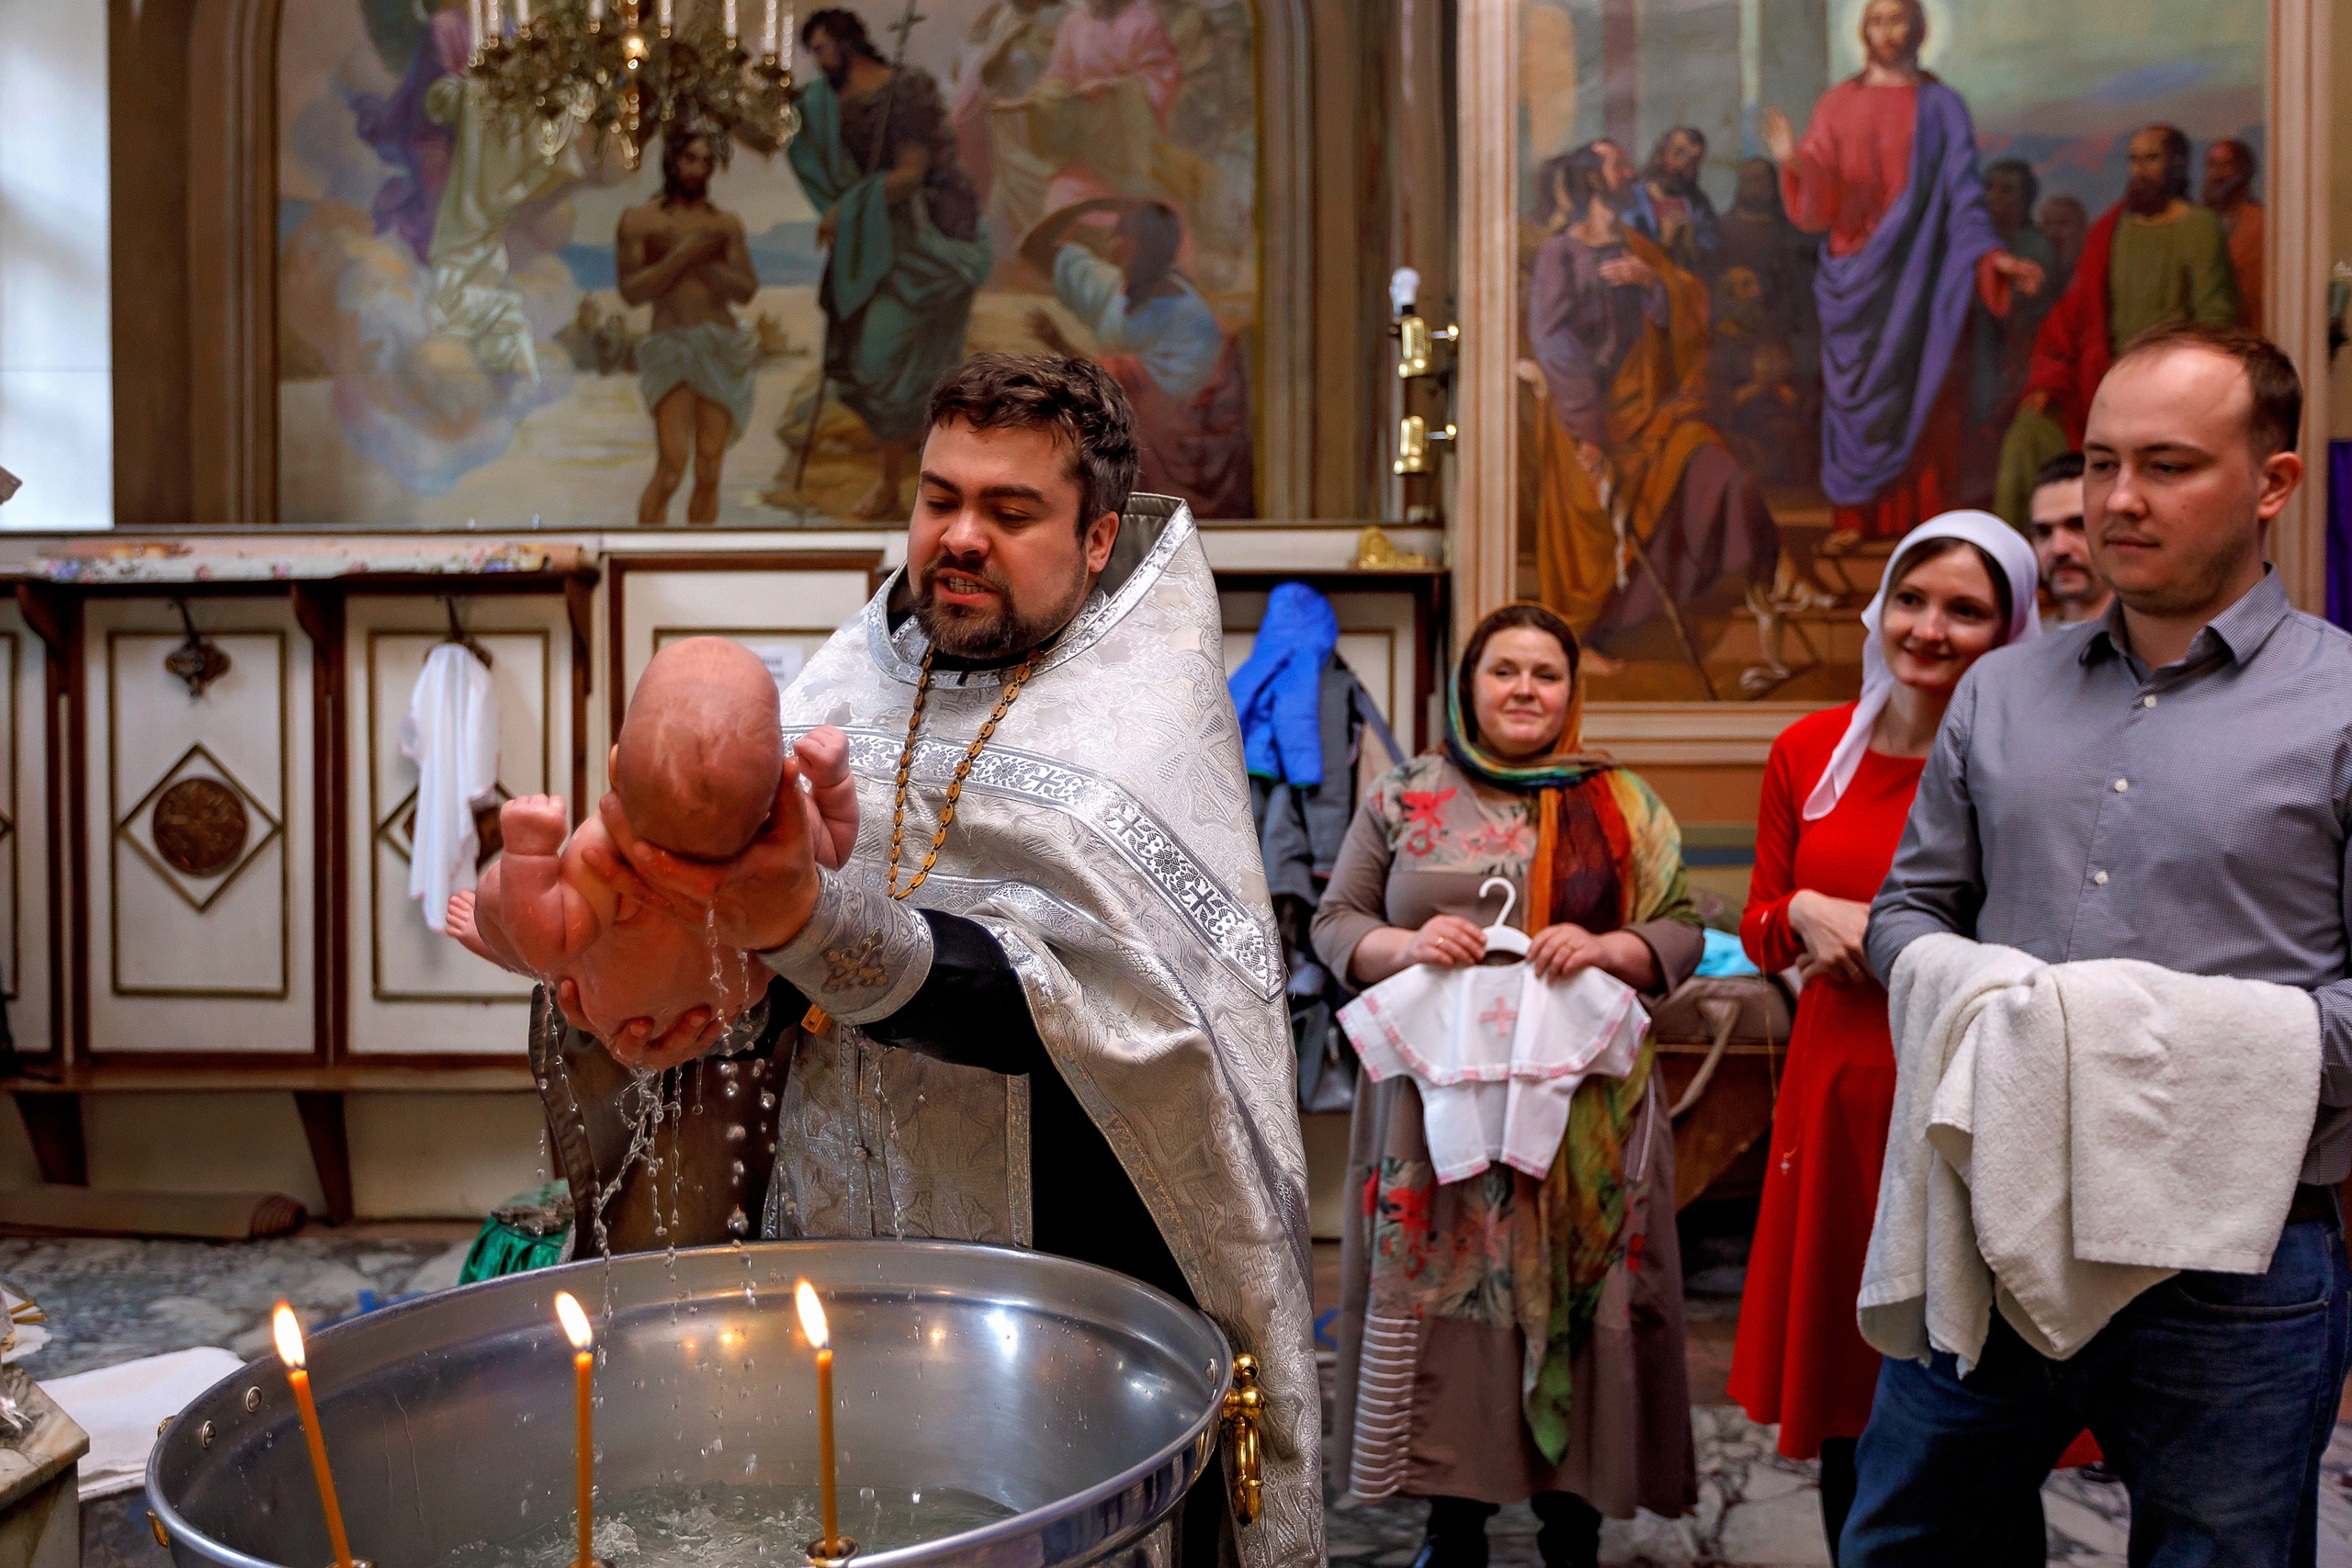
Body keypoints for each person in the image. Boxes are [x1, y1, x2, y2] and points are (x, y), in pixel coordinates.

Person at [536, 353, 1321, 1568]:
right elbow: (749, 956)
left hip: (1071, 1280)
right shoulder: (854, 677)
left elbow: (1084, 1014)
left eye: (1010, 513)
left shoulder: (1143, 722)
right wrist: (657, 969)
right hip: (839, 1251)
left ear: (1099, 535)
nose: (960, 536)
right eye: (939, 497)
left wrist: (805, 918)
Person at [1848, 321, 2352, 1563]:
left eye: (2170, 464)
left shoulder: (2342, 702)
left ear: (2273, 483)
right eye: (2102, 459)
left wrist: (2148, 1054)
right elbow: (1908, 912)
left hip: (2237, 1257)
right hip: (1989, 1223)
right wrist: (1986, 999)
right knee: (1910, 1540)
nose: (2117, 500)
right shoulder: (2002, 692)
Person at [1316, 602, 1703, 1568]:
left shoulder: (1620, 802)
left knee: (1574, 1294)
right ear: (1467, 683)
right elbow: (1333, 925)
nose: (1524, 690)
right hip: (1428, 1104)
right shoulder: (1403, 795)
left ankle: (1574, 1518)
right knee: (1447, 1303)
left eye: (1545, 674)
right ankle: (1454, 1523)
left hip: (1579, 1114)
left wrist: (1612, 945)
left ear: (1570, 693)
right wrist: (1404, 944)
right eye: (1504, 671)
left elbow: (1684, 928)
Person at [1726, 513, 2043, 1565]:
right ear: (1879, 610)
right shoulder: (1807, 748)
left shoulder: (2029, 767)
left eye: (1966, 610)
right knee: (1847, 1384)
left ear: (2009, 629)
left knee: (1975, 1380)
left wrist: (1914, 945)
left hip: (1964, 1088)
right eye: (1913, 600)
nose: (1930, 629)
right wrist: (1807, 911)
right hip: (1836, 1089)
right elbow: (1759, 916)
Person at [447, 640, 858, 1041]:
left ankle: (510, 957)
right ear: (777, 786)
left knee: (493, 893)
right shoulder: (782, 839)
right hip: (731, 1003)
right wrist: (833, 783)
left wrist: (527, 854)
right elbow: (837, 851)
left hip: (619, 1005)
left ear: (615, 769)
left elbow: (549, 941)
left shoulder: (610, 852)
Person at [1760, 0, 2042, 549]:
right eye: (1876, 22)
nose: (1887, 33)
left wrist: (1994, 256)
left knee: (1928, 396)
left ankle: (1928, 522)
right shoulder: (1838, 103)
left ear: (1918, 29)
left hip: (1924, 280)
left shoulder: (1943, 107)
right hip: (1858, 281)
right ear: (1863, 32)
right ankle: (1854, 520)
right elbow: (1818, 205)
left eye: (1897, 20)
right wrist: (1793, 163)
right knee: (1855, 401)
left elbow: (1964, 197)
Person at [1523, 143, 1778, 672]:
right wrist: (1587, 429)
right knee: (1588, 533)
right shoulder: (1560, 255)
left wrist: (1653, 286)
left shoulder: (1638, 246)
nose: (1629, 172)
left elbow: (1685, 310)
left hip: (1649, 409)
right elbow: (1554, 342)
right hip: (1585, 417)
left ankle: (1714, 591)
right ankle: (1577, 639)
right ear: (1594, 181)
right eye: (1618, 165)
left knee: (1716, 468)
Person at [785, 8, 991, 520]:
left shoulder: (903, 91)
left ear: (850, 43)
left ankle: (898, 483)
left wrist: (848, 209)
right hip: (869, 246)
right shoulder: (825, 104)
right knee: (860, 361)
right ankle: (903, 484)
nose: (819, 58)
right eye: (811, 50)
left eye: (824, 46)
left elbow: (910, 174)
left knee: (886, 363)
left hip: (919, 245)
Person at [1995, 124, 2239, 525]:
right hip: (2097, 386)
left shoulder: (2199, 228)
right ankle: (2020, 571)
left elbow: (2216, 321)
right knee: (2024, 438)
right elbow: (2072, 316)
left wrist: (2172, 381)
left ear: (2177, 165)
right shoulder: (2111, 229)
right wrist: (2049, 380)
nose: (2140, 170)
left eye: (2151, 158)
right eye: (2134, 159)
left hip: (2167, 395)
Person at [1022, 197, 1254, 516]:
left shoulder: (1191, 320)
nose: (1113, 243)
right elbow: (1035, 249)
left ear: (1144, 246)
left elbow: (1157, 406)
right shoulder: (1115, 291)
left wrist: (1060, 345)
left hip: (1173, 476)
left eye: (1122, 235)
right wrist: (1087, 206)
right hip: (1120, 453)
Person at [619, 133, 762, 525]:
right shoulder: (640, 220)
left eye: (705, 161)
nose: (697, 169)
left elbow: (746, 289)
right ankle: (647, 561)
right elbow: (632, 292)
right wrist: (682, 255)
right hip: (670, 347)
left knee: (709, 468)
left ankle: (700, 559)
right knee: (671, 467)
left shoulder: (723, 224)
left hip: (719, 347)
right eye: (689, 158)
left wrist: (700, 261)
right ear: (671, 161)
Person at [1963, 159, 2058, 505]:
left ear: (2025, 199)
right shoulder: (1978, 245)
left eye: (2006, 190)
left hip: (2016, 358)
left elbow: (2027, 311)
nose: (1994, 197)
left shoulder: (2034, 247)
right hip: (1976, 357)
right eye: (1989, 187)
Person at [2025, 452, 2109, 629]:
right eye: (2043, 532)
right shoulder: (2024, 650)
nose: (2058, 548)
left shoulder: (2160, 645)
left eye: (2078, 525)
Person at [1626, 127, 1721, 276]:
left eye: (1693, 160)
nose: (1682, 164)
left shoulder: (1699, 204)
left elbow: (1710, 251)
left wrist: (1690, 244)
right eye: (1678, 153)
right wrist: (1664, 242)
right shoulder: (1631, 198)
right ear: (1661, 153)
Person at [2204, 138, 2266, 335]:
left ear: (2244, 171)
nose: (2217, 174)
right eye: (2212, 165)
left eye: (2225, 165)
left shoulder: (2261, 222)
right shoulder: (2198, 223)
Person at [2036, 195, 2090, 298]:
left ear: (2082, 229)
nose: (2053, 232)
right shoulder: (2030, 280)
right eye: (2047, 224)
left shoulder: (2094, 274)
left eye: (2063, 223)